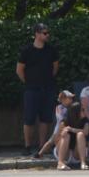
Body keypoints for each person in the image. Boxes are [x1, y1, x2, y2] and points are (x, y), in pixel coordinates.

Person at [16, 23, 59, 156]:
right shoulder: (27, 50)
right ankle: (27, 146)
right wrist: (29, 82)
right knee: (29, 118)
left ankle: (42, 146)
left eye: (47, 33)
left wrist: (47, 80)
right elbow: (19, 70)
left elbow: (55, 67)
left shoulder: (51, 50)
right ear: (37, 34)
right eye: (44, 33)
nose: (47, 35)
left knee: (45, 118)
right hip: (31, 89)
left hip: (48, 88)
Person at [34, 89, 75, 159]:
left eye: (71, 98)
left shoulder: (72, 107)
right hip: (59, 129)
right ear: (63, 99)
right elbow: (61, 118)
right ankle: (40, 154)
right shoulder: (59, 108)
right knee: (50, 142)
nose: (71, 100)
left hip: (68, 128)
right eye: (69, 98)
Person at [55, 99, 89, 171]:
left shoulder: (85, 121)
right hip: (64, 152)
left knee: (80, 134)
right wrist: (62, 134)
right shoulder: (64, 122)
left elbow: (86, 132)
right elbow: (56, 140)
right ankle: (60, 162)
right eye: (82, 110)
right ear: (76, 113)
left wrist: (72, 129)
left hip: (77, 153)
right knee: (66, 135)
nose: (84, 111)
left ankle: (83, 163)